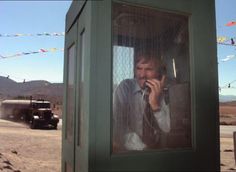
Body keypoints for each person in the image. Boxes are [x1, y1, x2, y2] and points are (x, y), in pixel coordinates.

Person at [113, 52, 171, 152]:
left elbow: (168, 129)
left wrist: (155, 105)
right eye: (139, 68)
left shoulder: (167, 92)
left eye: (149, 69)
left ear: (160, 73)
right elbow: (120, 128)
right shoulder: (125, 88)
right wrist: (144, 149)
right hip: (133, 151)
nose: (142, 75)